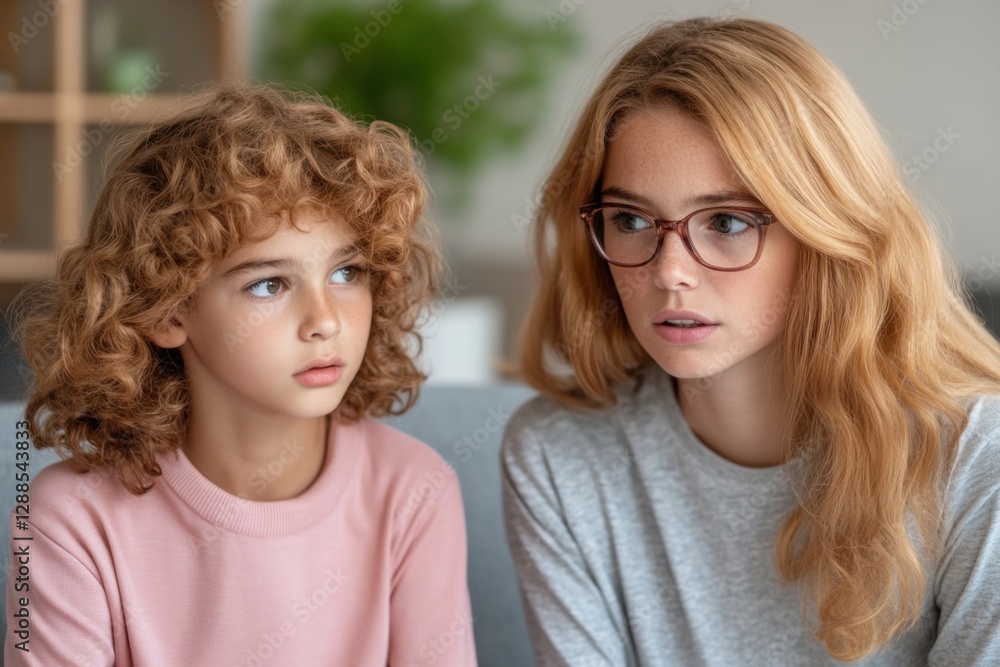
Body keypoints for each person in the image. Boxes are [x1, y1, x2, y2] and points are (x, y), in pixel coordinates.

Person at [501, 17, 1000, 666]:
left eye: (727, 221)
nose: (668, 270)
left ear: (825, 228)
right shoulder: (558, 457)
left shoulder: (974, 457)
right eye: (629, 219)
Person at [6, 84, 476, 666]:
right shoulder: (69, 517)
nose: (325, 320)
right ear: (168, 310)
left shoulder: (415, 491)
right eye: (268, 284)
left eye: (346, 271)